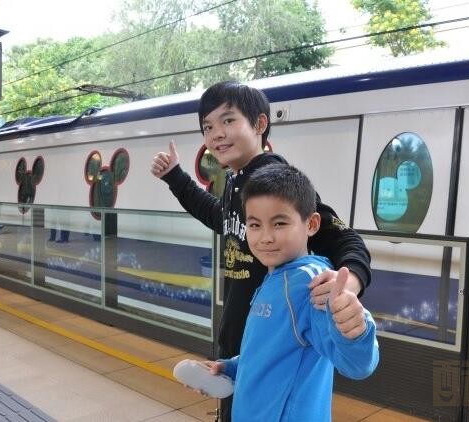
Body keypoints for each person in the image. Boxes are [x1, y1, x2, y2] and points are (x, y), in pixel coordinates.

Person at [150, 81, 372, 421]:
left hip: (276, 343)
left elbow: (343, 238)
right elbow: (219, 217)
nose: (216, 134)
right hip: (246, 343)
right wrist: (175, 177)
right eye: (207, 127)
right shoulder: (236, 180)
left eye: (228, 120)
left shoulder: (274, 180)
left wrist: (349, 286)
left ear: (259, 124)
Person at [191, 163, 379, 421]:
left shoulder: (310, 284)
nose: (265, 237)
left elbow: (357, 365)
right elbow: (270, 351)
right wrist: (231, 367)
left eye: (279, 223)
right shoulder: (274, 277)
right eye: (254, 225)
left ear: (312, 224)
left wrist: (356, 331)